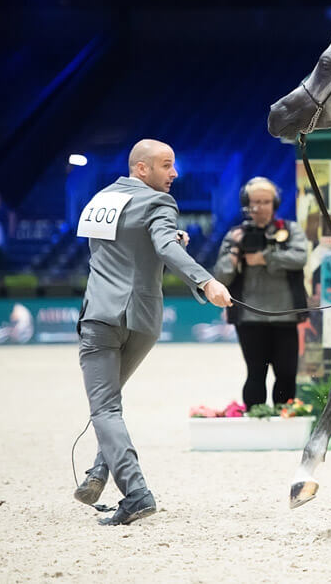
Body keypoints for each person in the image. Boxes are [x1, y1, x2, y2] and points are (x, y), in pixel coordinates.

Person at [74, 139, 232, 526]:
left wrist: (203, 279)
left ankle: (136, 493)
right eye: (166, 165)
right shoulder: (158, 203)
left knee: (105, 407)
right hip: (143, 320)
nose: (174, 173)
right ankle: (97, 475)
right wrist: (205, 279)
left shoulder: (100, 199)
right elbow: (158, 245)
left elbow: (117, 248)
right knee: (109, 404)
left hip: (100, 316)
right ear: (141, 169)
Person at [214, 177, 308, 409]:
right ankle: (256, 419)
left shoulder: (289, 229)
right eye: (255, 202)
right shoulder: (235, 235)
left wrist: (265, 258)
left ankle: (285, 420)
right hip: (250, 317)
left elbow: (300, 257)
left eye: (266, 201)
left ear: (274, 203)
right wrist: (236, 251)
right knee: (255, 373)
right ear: (246, 204)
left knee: (287, 373)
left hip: (285, 314)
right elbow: (221, 276)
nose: (260, 207)